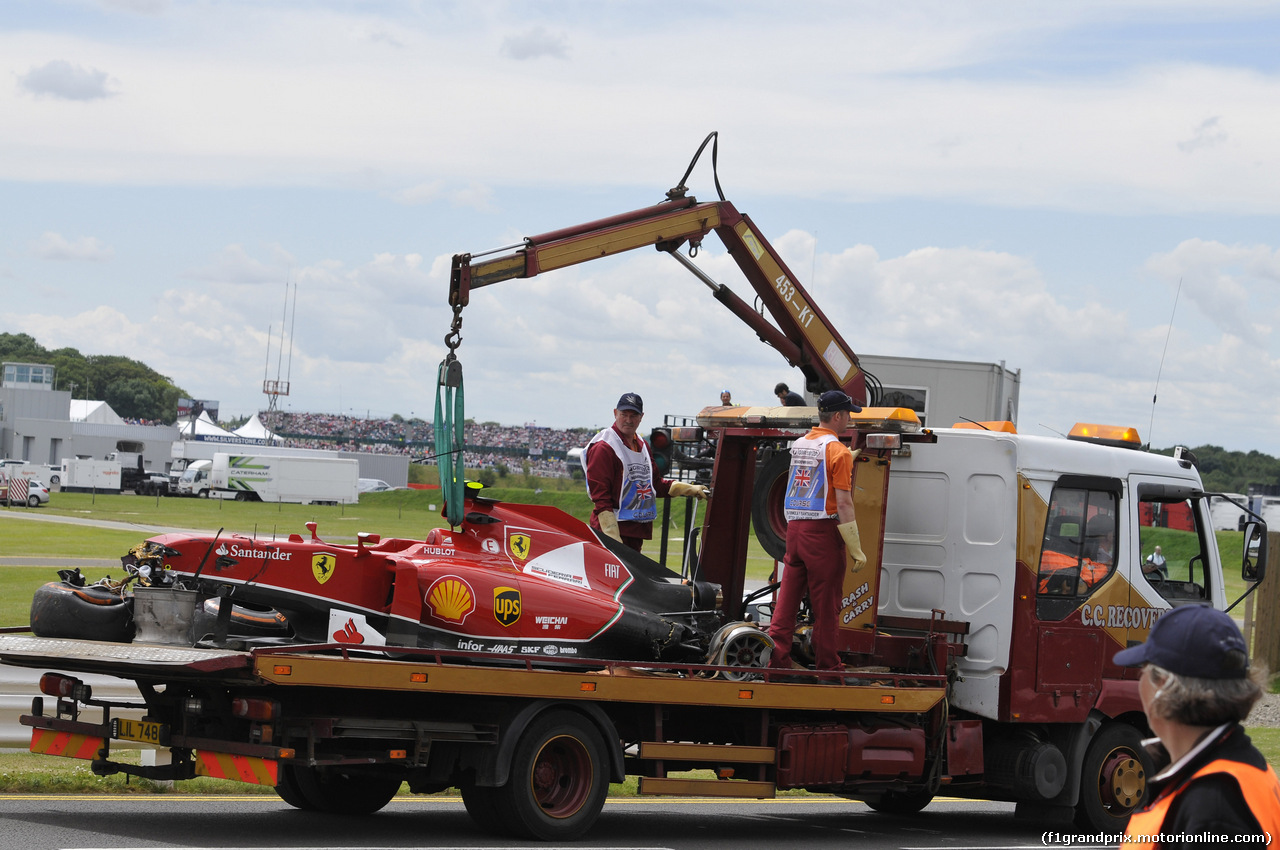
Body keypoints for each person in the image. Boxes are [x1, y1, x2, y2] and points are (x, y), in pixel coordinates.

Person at [1114, 604, 1280, 845]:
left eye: (1143, 671)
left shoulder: (1213, 805)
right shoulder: (1232, 772)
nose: (1139, 683)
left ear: (1163, 686)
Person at [767, 390, 866, 674]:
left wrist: (846, 457)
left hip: (795, 531)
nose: (849, 419)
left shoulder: (800, 443)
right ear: (837, 416)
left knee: (787, 601)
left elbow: (814, 476)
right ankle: (828, 665)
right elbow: (844, 503)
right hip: (822, 533)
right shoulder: (837, 450)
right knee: (826, 605)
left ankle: (778, 661)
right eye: (847, 414)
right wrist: (855, 547)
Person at [581, 392, 707, 552]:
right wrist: (612, 537)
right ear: (615, 413)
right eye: (623, 414)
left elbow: (654, 485)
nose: (628, 420)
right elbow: (601, 498)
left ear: (641, 417)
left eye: (633, 415)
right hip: (611, 534)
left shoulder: (642, 445)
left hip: (635, 532)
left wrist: (689, 489)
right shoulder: (604, 447)